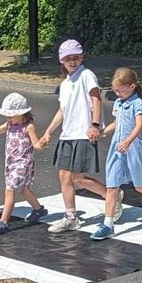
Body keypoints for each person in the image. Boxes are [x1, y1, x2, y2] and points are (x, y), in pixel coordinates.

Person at [37, 39, 118, 232]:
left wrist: (95, 125)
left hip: (83, 132)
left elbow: (95, 99)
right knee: (64, 175)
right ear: (61, 61)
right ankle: (71, 216)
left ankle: (111, 196)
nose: (72, 61)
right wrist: (48, 132)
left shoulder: (86, 75)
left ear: (82, 57)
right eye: (68, 58)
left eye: (76, 57)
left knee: (77, 178)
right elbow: (62, 111)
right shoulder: (65, 83)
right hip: (67, 134)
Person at [91, 67, 142, 240]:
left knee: (140, 185)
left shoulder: (137, 104)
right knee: (112, 186)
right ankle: (107, 224)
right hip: (117, 149)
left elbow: (139, 125)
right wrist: (103, 132)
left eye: (119, 90)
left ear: (132, 86)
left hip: (133, 148)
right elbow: (117, 123)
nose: (116, 93)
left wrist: (128, 141)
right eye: (114, 89)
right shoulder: (118, 103)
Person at [0, 92, 49, 234]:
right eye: (7, 116)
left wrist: (41, 144)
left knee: (10, 189)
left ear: (22, 113)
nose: (8, 118)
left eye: (11, 115)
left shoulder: (28, 127)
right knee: (23, 189)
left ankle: (3, 221)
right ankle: (38, 209)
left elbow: (35, 144)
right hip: (11, 163)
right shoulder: (9, 125)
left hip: (23, 163)